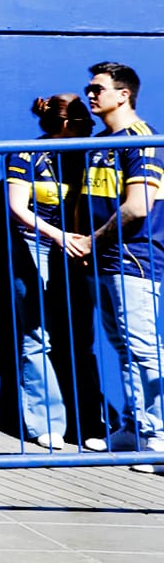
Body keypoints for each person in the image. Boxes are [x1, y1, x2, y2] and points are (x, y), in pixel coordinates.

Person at [77, 61, 163, 470]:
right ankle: (135, 427)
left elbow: (138, 207)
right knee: (123, 347)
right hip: (105, 259)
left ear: (123, 93)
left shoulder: (141, 139)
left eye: (97, 88)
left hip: (135, 259)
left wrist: (91, 241)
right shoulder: (100, 140)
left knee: (144, 350)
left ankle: (158, 437)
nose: (90, 94)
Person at [4, 94, 92, 446]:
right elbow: (16, 207)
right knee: (37, 335)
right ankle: (46, 424)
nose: (92, 131)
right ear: (67, 124)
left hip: (77, 246)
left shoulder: (85, 156)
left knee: (80, 334)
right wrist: (59, 236)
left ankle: (90, 424)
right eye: (85, 125)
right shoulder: (27, 153)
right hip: (35, 247)